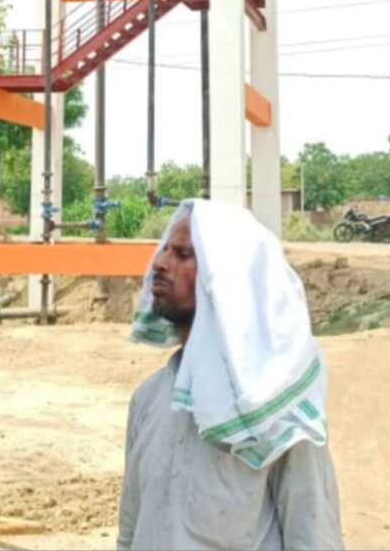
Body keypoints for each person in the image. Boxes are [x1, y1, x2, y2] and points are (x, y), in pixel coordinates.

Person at [117, 199, 343, 550]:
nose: (159, 264)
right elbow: (130, 533)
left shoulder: (275, 410)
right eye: (165, 250)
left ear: (222, 280)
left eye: (182, 254)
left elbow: (313, 537)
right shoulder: (147, 399)